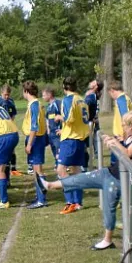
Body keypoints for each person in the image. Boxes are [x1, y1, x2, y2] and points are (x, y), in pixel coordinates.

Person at [36, 110, 132, 250]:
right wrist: (115, 139)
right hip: (109, 172)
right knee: (80, 179)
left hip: (117, 181)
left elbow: (128, 153)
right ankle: (49, 185)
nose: (123, 127)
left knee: (108, 209)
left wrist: (115, 143)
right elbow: (125, 144)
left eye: (124, 125)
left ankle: (107, 240)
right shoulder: (131, 136)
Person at [53, 76, 90, 214]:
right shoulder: (81, 100)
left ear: (64, 87)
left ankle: (70, 202)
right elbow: (82, 120)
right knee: (76, 171)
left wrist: (59, 117)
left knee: (61, 170)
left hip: (70, 140)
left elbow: (69, 118)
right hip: (80, 139)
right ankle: (78, 202)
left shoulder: (68, 99)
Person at [21, 81, 48, 210]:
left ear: (26, 92)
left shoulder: (34, 105)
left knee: (37, 170)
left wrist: (29, 144)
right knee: (36, 169)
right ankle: (40, 196)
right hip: (38, 138)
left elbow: (34, 126)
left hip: (35, 140)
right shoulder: (37, 104)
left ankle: (42, 199)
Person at [108, 80, 132, 164]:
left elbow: (126, 118)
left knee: (117, 164)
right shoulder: (126, 98)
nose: (111, 96)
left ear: (112, 90)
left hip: (121, 137)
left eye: (110, 94)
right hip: (121, 136)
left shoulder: (121, 100)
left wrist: (125, 136)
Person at [0, 84, 21, 176]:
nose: (7, 96)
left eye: (8, 94)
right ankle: (1, 168)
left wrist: (11, 123)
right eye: (5, 95)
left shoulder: (11, 102)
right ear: (1, 93)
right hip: (1, 130)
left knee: (12, 149)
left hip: (10, 129)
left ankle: (13, 169)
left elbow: (13, 115)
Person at [84, 79, 104, 170]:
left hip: (87, 123)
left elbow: (84, 108)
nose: (90, 82)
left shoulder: (91, 97)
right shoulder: (91, 95)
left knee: (84, 144)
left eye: (93, 82)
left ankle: (85, 165)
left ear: (96, 86)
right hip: (90, 122)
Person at [42, 86, 61, 171]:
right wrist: (48, 130)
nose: (43, 97)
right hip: (51, 133)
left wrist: (62, 129)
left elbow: (63, 116)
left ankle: (61, 164)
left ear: (49, 95)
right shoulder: (49, 106)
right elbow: (47, 118)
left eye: (44, 95)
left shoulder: (58, 104)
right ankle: (57, 163)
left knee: (58, 148)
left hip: (57, 132)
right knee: (53, 149)